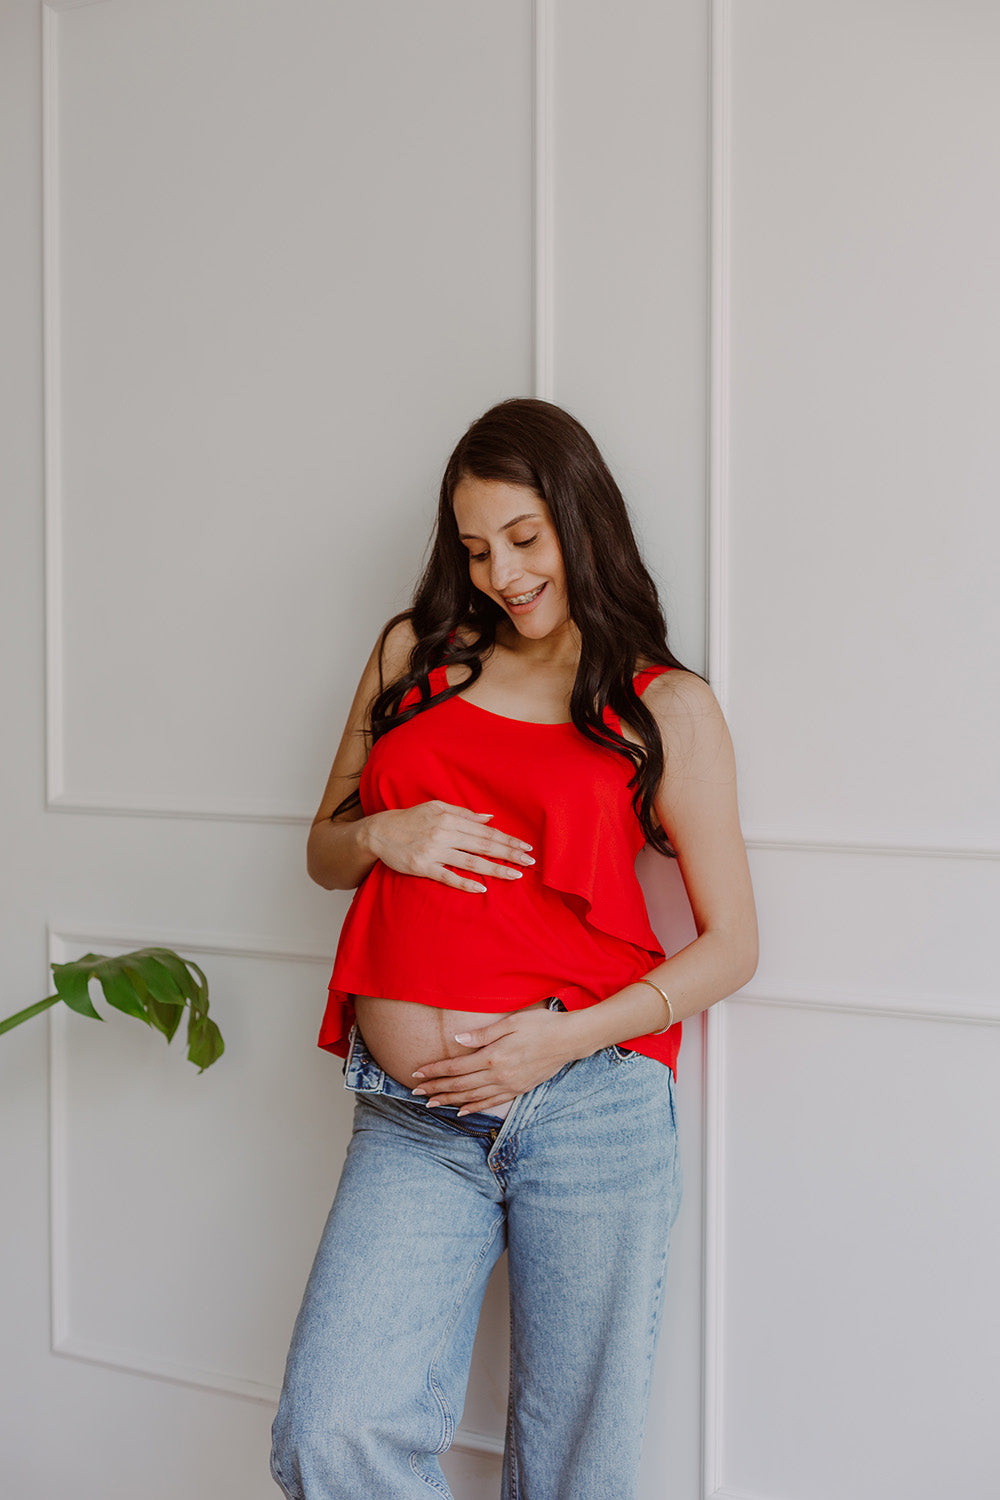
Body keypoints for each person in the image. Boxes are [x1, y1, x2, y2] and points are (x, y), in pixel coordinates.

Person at [270, 397, 757, 1500]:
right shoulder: (412, 654)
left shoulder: (665, 706)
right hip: (415, 1118)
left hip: (587, 1104)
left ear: (582, 521)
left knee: (575, 1469)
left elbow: (731, 947)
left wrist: (560, 1039)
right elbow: (322, 854)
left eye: (525, 539)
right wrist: (382, 832)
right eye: (476, 548)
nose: (501, 573)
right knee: (330, 1431)